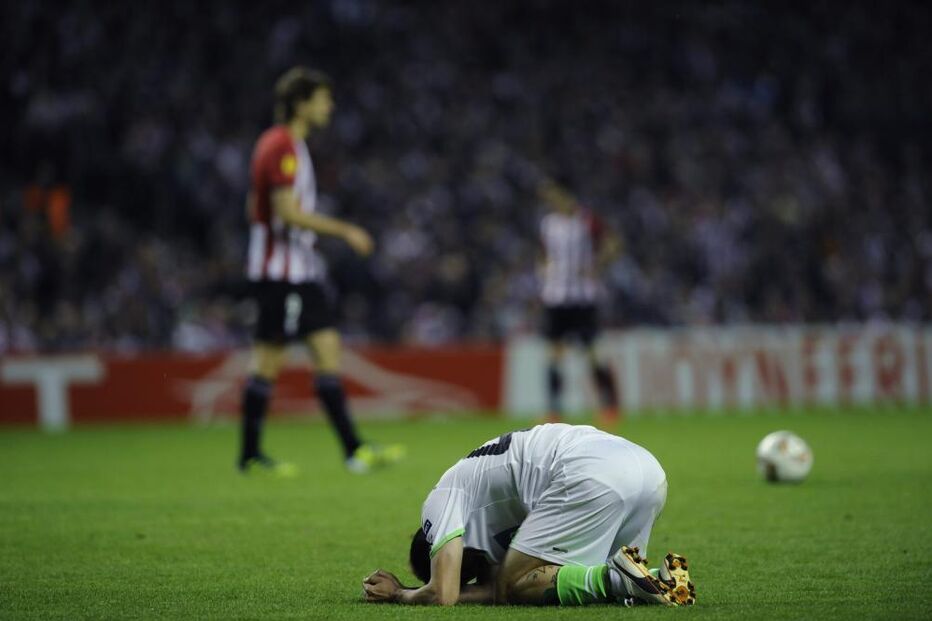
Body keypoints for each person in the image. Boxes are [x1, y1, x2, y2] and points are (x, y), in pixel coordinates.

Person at [238, 67, 403, 475]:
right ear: (301, 103)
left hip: (298, 274)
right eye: (323, 99)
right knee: (268, 361)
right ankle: (250, 456)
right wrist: (344, 229)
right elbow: (287, 213)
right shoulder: (281, 145)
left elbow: (253, 206)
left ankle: (353, 450)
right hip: (282, 276)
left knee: (327, 350)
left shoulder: (284, 145)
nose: (329, 106)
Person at [362, 423, 696, 607]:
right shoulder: (487, 518)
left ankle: (616, 579)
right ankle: (656, 577)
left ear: (433, 540)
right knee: (550, 576)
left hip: (588, 473)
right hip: (648, 471)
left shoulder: (440, 501)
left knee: (514, 587)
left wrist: (398, 593)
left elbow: (445, 594)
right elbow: (485, 589)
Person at [537, 179, 621, 427]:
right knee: (554, 354)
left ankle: (609, 406)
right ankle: (554, 410)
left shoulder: (587, 221)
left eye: (555, 194)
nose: (551, 200)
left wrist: (598, 265)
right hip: (555, 296)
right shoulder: (548, 224)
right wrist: (543, 269)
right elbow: (543, 254)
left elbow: (613, 243)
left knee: (592, 352)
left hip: (583, 297)